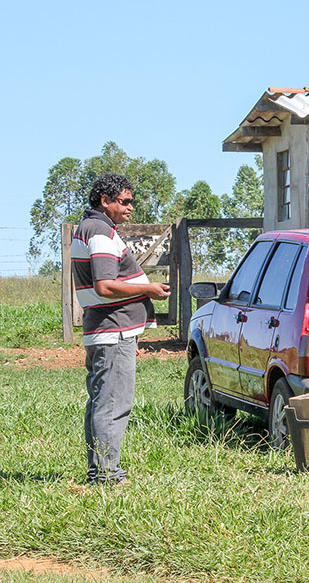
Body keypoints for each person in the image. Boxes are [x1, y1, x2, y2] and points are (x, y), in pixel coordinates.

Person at [72, 173, 170, 485]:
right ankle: (107, 475)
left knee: (102, 399)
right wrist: (147, 290)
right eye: (125, 201)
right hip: (112, 329)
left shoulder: (91, 228)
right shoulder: (100, 232)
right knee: (113, 402)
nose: (130, 207)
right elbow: (104, 285)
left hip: (108, 329)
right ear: (106, 201)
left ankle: (98, 470)